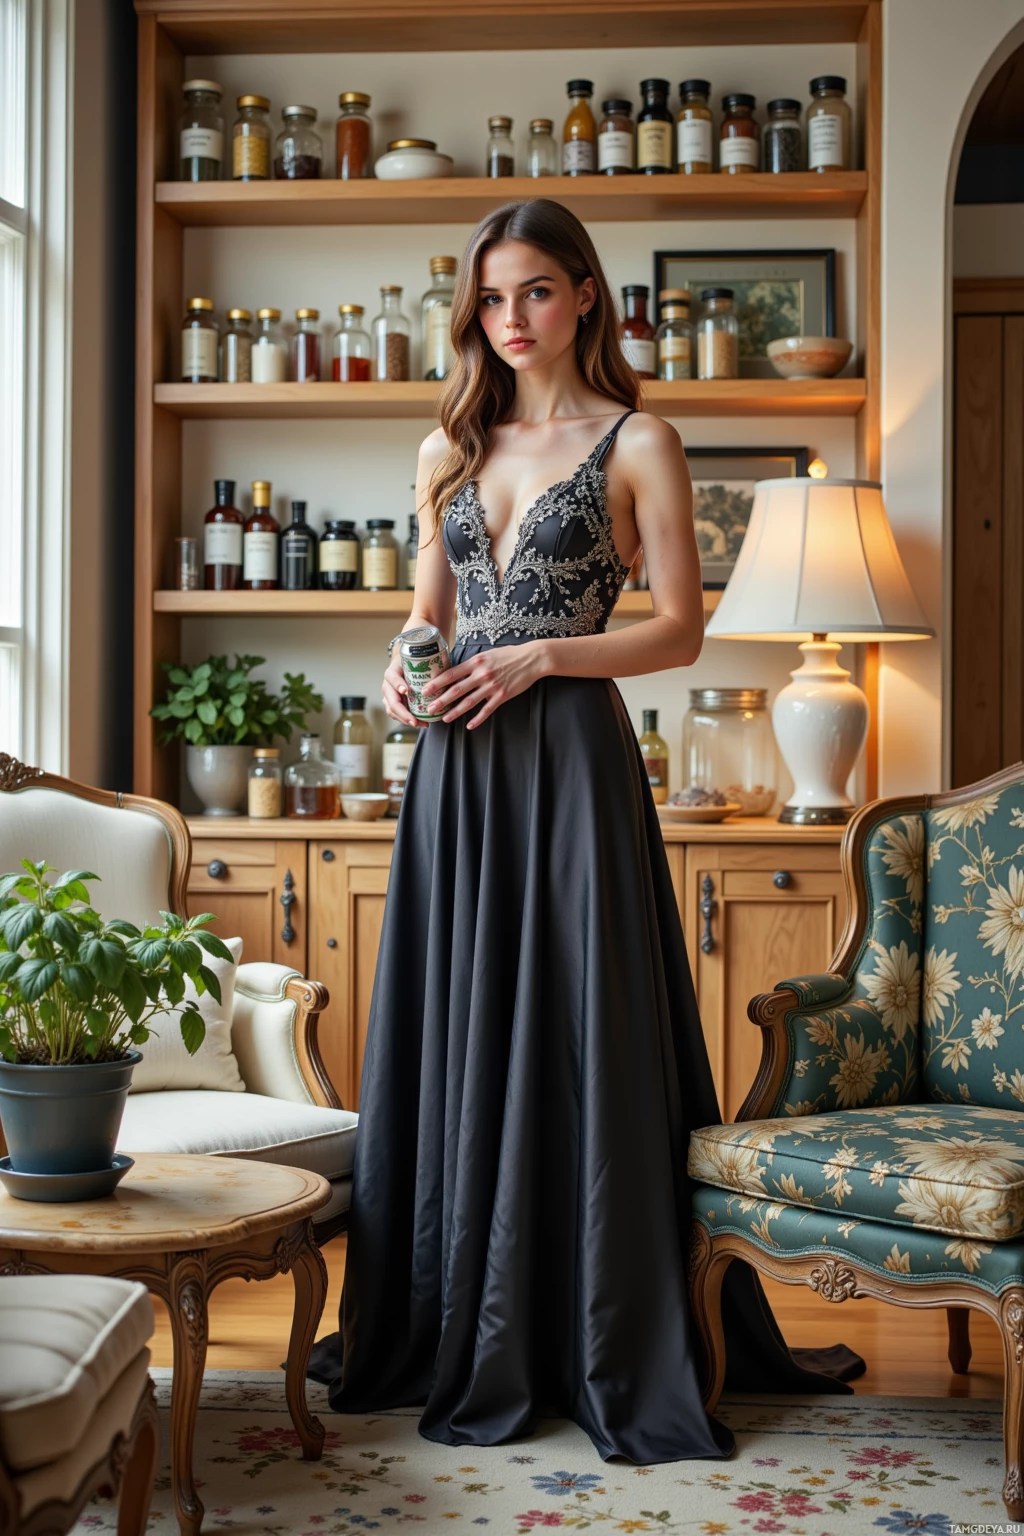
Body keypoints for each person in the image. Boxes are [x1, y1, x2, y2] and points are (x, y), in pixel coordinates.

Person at [308, 197, 862, 1462]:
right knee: (460, 1023)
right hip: (453, 770)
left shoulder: (639, 439)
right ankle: (455, 1316)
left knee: (576, 1021)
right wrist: (403, 667)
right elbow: (422, 612)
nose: (512, 320)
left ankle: (589, 1327)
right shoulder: (446, 441)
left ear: (586, 296)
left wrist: (542, 657)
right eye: (492, 299)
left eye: (536, 293)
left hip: (566, 763)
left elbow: (680, 629)